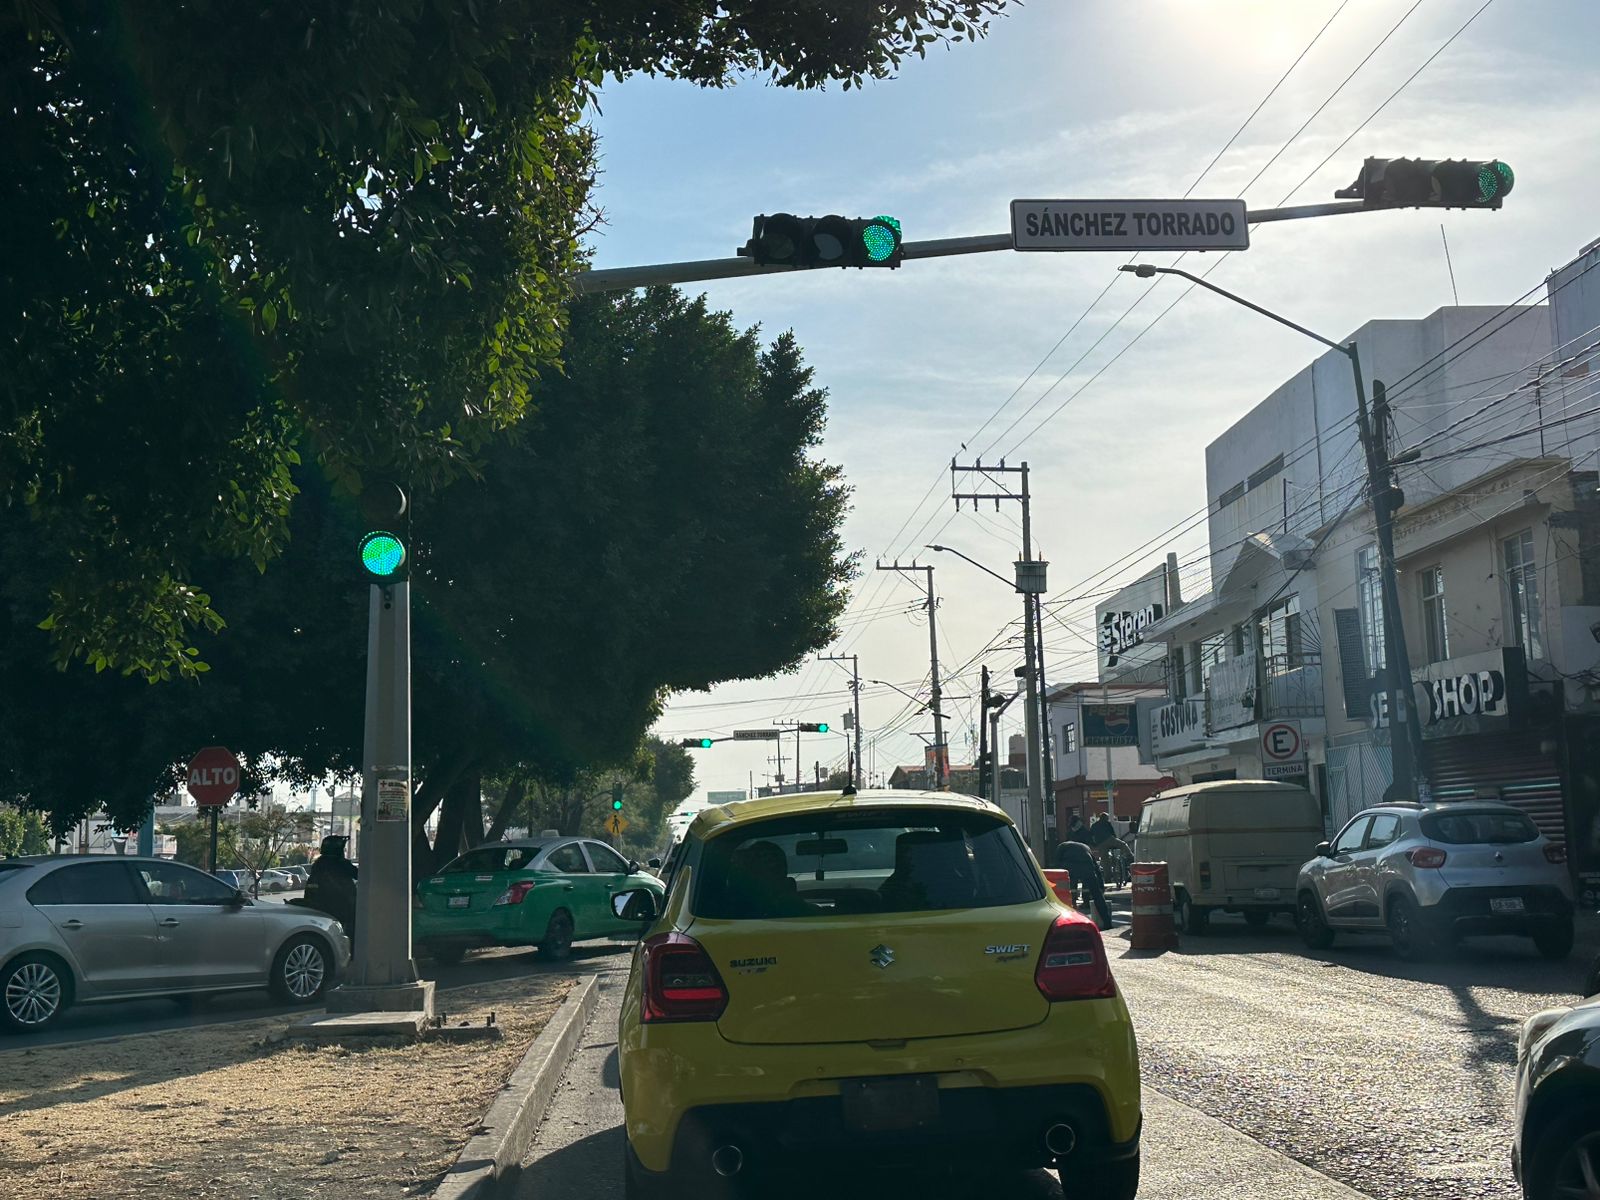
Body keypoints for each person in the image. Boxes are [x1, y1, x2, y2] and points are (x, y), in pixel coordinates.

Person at [1051, 837, 1113, 929]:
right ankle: (1107, 923)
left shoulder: (1061, 846)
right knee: (1097, 895)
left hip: (1069, 866)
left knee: (1068, 893)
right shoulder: (1086, 847)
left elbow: (1056, 866)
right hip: (1086, 865)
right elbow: (1097, 870)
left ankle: (1068, 921)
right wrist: (1101, 888)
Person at [304, 835, 359, 937]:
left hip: (321, 907)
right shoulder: (340, 863)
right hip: (342, 908)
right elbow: (359, 875)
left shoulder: (318, 863)